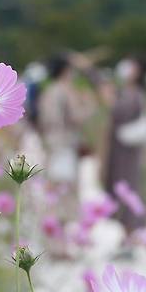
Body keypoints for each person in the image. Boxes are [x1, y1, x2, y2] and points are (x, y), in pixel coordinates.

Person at [37, 54, 95, 211]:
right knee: (66, 188)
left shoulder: (48, 90)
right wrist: (89, 104)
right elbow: (76, 117)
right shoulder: (66, 91)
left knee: (52, 186)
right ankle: (64, 223)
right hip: (66, 143)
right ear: (65, 71)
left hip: (51, 141)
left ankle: (50, 219)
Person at [102, 56, 146, 232]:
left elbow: (118, 112)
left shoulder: (134, 93)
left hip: (126, 150)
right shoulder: (129, 91)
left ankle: (130, 228)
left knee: (125, 184)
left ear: (137, 72)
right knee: (123, 184)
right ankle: (125, 228)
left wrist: (109, 99)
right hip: (122, 148)